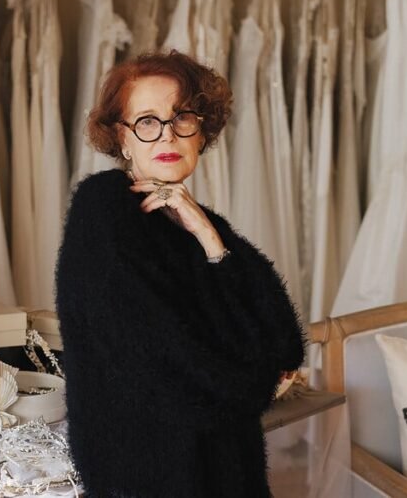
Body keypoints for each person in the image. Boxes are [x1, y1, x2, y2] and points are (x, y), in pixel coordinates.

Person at [55, 50, 307, 497]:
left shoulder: (198, 220)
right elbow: (170, 360)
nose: (167, 135)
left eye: (182, 118)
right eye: (147, 122)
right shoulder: (104, 210)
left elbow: (285, 344)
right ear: (122, 137)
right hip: (154, 477)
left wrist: (211, 239)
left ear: (201, 132)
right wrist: (256, 376)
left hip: (228, 470)